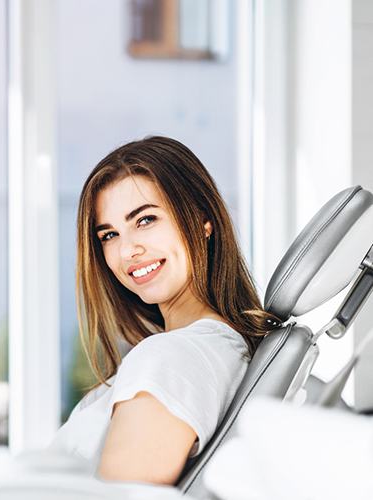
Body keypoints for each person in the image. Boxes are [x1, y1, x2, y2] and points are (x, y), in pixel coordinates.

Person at [48, 136, 282, 485]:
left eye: (145, 220)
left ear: (203, 220)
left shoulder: (171, 358)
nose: (127, 250)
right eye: (109, 235)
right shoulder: (201, 349)